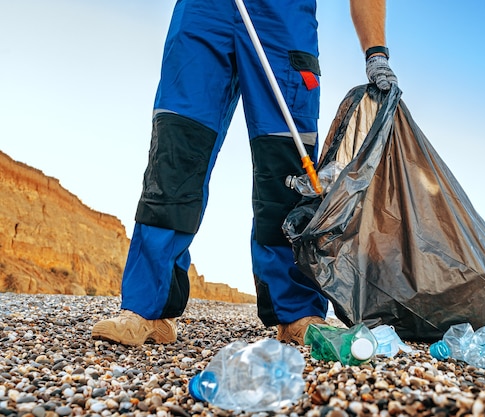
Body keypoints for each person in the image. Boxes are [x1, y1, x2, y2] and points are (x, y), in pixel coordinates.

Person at [91, 0, 397, 346]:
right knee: (176, 149)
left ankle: (296, 312)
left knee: (286, 167)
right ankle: (148, 310)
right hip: (204, 12)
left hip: (282, 18)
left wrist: (376, 54)